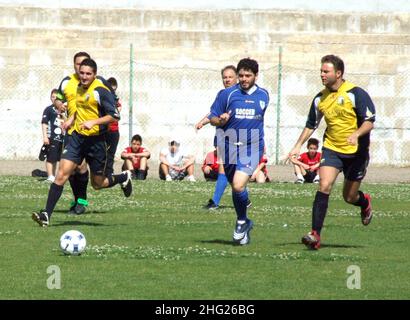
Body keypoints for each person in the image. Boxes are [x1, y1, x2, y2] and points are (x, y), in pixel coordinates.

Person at [288, 54, 376, 250]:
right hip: (332, 149)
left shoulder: (356, 93)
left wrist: (356, 134)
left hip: (356, 152)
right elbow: (311, 124)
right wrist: (297, 145)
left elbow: (370, 121)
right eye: (321, 71)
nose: (322, 74)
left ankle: (364, 202)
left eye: (326, 71)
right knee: (324, 186)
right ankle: (315, 235)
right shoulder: (320, 98)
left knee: (349, 197)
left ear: (338, 73)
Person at [32, 58, 133, 227]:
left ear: (94, 74)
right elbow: (79, 109)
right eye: (82, 73)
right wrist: (71, 119)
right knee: (62, 175)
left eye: (88, 74)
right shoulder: (78, 87)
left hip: (97, 142)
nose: (84, 76)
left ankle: (123, 177)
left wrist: (93, 122)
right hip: (77, 139)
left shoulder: (100, 90)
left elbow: (115, 115)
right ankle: (46, 215)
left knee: (98, 183)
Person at [209, 57, 269, 245]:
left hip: (251, 146)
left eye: (248, 76)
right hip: (228, 146)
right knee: (235, 186)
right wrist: (221, 120)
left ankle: (241, 221)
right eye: (241, 75)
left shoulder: (263, 95)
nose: (244, 79)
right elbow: (213, 118)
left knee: (237, 184)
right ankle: (244, 221)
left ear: (256, 76)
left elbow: (258, 121)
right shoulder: (226, 94)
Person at [54, 51, 92, 215]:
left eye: (84, 63)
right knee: (69, 168)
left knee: (81, 166)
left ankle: (81, 202)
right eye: (77, 63)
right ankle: (79, 201)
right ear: (74, 64)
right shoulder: (67, 81)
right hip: (70, 131)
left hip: (87, 131)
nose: (80, 66)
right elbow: (57, 98)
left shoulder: (93, 82)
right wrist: (58, 104)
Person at [195, 65, 238, 209]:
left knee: (225, 169)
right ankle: (244, 200)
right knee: (227, 170)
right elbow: (213, 112)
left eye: (230, 77)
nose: (227, 80)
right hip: (222, 135)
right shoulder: (222, 94)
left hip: (235, 136)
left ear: (236, 77)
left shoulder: (239, 94)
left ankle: (215, 202)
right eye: (224, 77)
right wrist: (203, 122)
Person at [41, 88, 65, 183]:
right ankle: (50, 176)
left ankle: (57, 175)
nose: (54, 99)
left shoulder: (64, 109)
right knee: (51, 157)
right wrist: (45, 136)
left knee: (60, 158)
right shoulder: (49, 109)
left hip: (63, 138)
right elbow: (44, 123)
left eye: (56, 97)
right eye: (52, 97)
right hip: (53, 137)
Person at [105, 77, 122, 177]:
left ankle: (109, 171)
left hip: (114, 130)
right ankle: (101, 171)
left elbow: (117, 112)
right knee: (102, 152)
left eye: (114, 89)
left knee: (111, 153)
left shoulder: (116, 100)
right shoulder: (104, 98)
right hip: (104, 130)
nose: (112, 91)